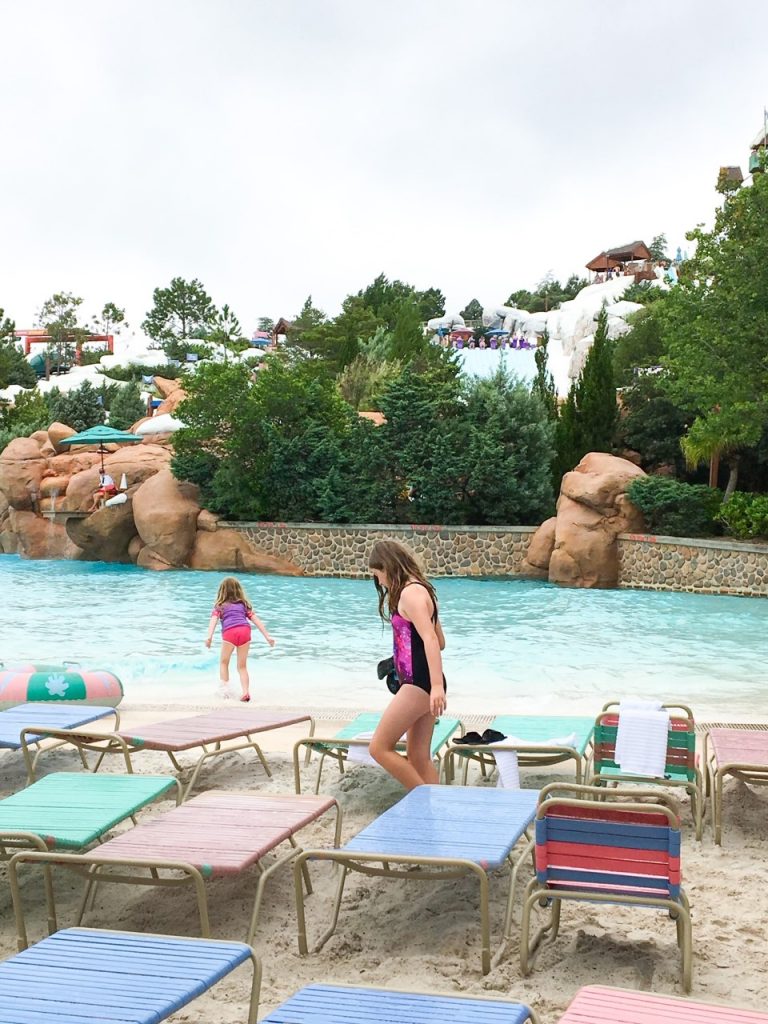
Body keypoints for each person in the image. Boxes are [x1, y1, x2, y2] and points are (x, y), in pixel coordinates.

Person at [367, 539, 446, 790]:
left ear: (388, 567)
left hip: (418, 684)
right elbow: (440, 640)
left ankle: (422, 800)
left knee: (379, 747)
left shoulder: (410, 594)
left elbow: (432, 640)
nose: (379, 582)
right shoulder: (422, 589)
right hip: (421, 681)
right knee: (419, 758)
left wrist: (435, 687)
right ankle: (437, 811)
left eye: (378, 575)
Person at [205, 576, 275, 702]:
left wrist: (209, 637)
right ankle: (245, 692)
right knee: (242, 666)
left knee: (224, 662)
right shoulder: (243, 605)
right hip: (245, 631)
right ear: (238, 590)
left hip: (230, 632)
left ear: (222, 591)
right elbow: (255, 619)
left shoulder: (219, 606)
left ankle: (225, 691)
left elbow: (213, 621)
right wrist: (267, 636)